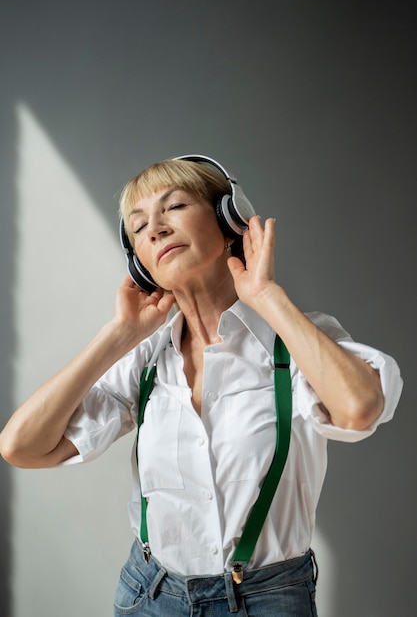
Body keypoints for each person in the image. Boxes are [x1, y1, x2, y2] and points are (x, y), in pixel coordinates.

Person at [0, 154, 403, 616]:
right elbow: (21, 446)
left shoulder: (295, 342)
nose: (155, 228)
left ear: (229, 219)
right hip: (149, 597)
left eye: (173, 207)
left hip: (266, 602)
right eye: (138, 226)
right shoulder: (147, 360)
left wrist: (268, 297)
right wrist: (118, 335)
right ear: (139, 261)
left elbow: (359, 408)